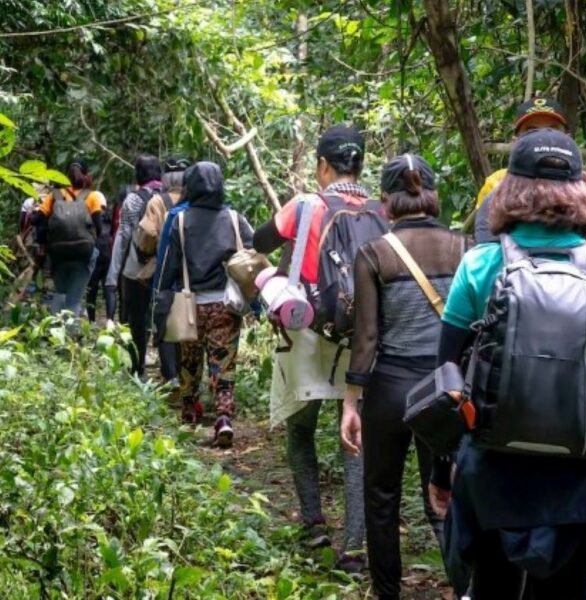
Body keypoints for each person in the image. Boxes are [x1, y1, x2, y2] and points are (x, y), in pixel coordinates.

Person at [430, 129, 586, 599]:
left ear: (511, 189)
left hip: (492, 475)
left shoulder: (480, 265)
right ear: (580, 192)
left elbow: (444, 380)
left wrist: (440, 471)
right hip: (584, 481)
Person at [339, 154, 469, 599]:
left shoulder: (373, 253)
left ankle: (386, 592)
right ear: (432, 195)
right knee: (446, 497)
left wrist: (351, 403)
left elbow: (367, 337)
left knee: (381, 498)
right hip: (446, 391)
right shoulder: (464, 248)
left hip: (391, 390)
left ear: (384, 202)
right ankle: (465, 585)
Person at [252, 125, 377, 570]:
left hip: (305, 330)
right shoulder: (381, 211)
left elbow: (259, 242)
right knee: (356, 440)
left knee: (301, 431)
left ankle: (314, 526)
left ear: (323, 165)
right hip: (361, 341)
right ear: (360, 164)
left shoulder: (306, 205)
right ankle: (357, 546)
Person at [157, 161, 253, 447]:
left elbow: (166, 268)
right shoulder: (235, 219)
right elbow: (252, 260)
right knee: (224, 363)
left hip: (190, 304)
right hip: (226, 304)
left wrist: (160, 304)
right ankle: (223, 417)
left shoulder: (180, 220)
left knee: (188, 360)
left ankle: (189, 410)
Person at [474, 97, 586, 244]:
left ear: (568, 138)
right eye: (531, 131)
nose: (543, 136)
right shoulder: (496, 183)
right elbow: (486, 239)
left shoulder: (584, 186)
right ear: (515, 141)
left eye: (552, 129)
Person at [135, 155, 192, 384]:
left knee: (165, 320)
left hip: (166, 269)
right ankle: (188, 374)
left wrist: (147, 252)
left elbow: (147, 236)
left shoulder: (158, 202)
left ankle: (171, 376)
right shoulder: (197, 202)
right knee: (189, 322)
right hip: (195, 272)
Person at [106, 155, 164, 376]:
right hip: (163, 268)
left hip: (136, 268)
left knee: (136, 319)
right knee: (159, 315)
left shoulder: (132, 200)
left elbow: (124, 236)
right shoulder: (168, 198)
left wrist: (113, 275)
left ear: (138, 174)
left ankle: (136, 366)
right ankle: (169, 369)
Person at [32, 160, 103, 315]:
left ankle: (54, 332)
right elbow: (99, 226)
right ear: (86, 175)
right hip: (83, 253)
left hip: (58, 253)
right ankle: (70, 335)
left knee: (60, 293)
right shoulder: (91, 197)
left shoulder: (55, 195)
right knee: (74, 299)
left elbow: (36, 219)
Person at [86, 192, 115, 322]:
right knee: (108, 288)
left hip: (96, 253)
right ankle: (110, 320)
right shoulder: (110, 217)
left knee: (92, 288)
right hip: (109, 254)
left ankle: (91, 320)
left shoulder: (90, 217)